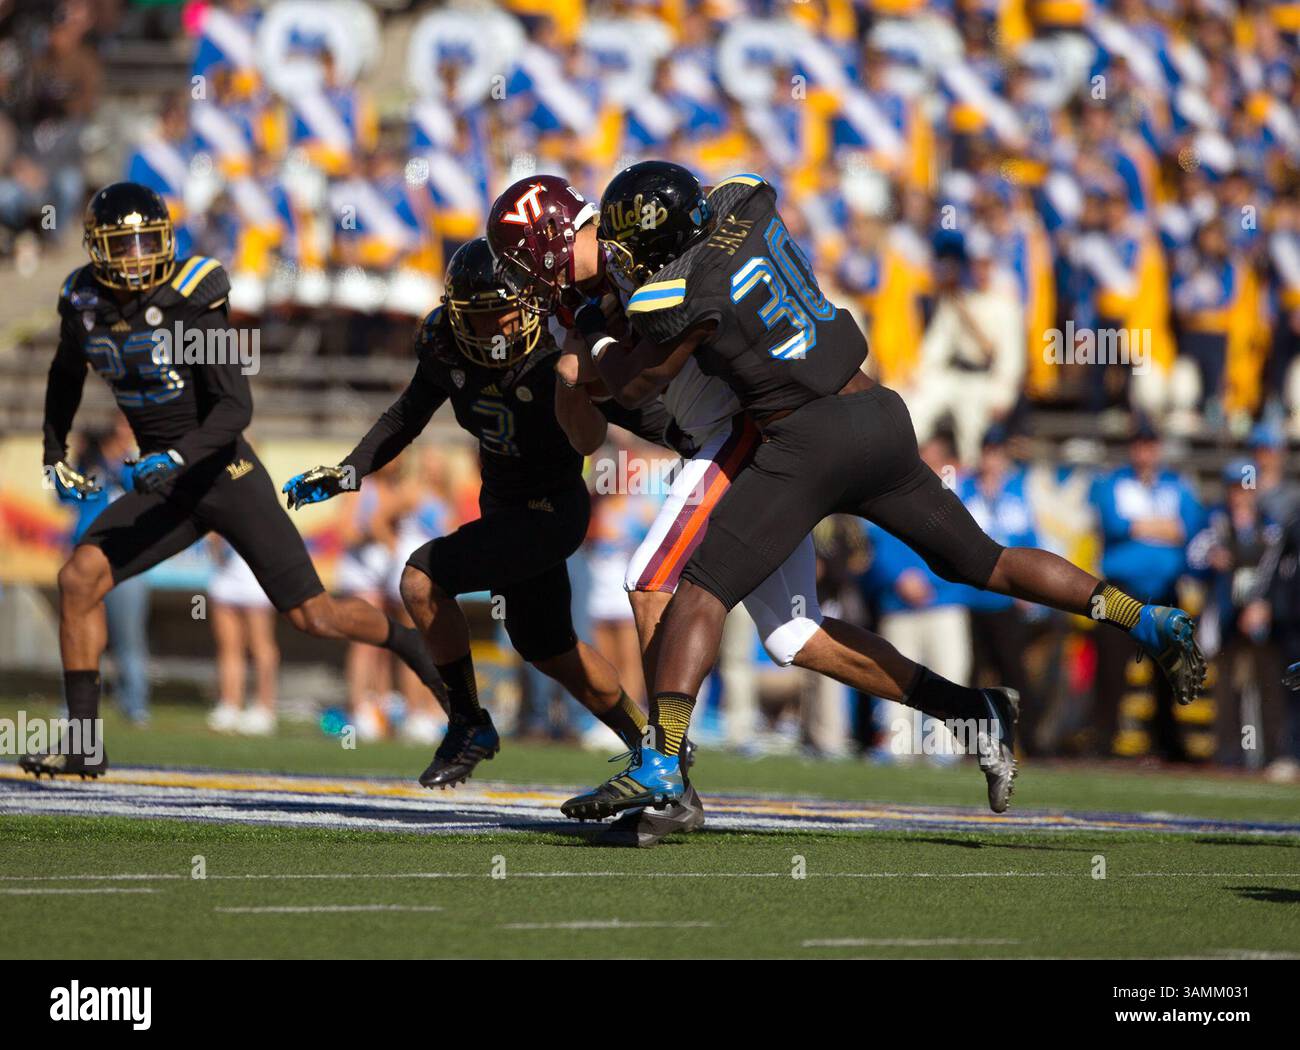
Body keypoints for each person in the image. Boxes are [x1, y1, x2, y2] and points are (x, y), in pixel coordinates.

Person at [556, 161, 1206, 819]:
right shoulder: (743, 206)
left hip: (807, 442)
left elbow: (633, 381)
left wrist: (595, 337)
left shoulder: (684, 291)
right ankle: (1142, 617)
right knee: (985, 560)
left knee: (701, 589)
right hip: (880, 415)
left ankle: (663, 762)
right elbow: (742, 189)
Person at [23, 182, 448, 778]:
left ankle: (409, 646)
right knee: (78, 578)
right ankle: (84, 744)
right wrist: (53, 448)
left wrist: (176, 458)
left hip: (224, 472)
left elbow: (235, 408)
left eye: (149, 240)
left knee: (313, 617)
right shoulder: (82, 300)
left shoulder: (193, 295)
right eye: (125, 244)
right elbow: (64, 373)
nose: (139, 255)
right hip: (165, 487)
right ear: (97, 249)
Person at [283, 238, 674, 805]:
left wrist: (705, 443)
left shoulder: (559, 346)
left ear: (530, 303)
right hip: (504, 506)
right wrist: (350, 472)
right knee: (549, 648)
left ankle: (467, 721)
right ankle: (651, 748)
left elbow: (633, 406)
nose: (492, 328)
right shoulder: (444, 344)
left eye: (502, 311)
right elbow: (407, 413)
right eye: (479, 315)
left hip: (553, 510)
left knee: (421, 577)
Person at [1089, 415, 1203, 760]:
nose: (1144, 451)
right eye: (1139, 443)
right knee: (1111, 668)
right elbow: (1113, 523)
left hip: (1165, 590)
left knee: (1169, 670)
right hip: (1121, 590)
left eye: (1150, 444)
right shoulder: (1113, 482)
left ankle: (1166, 741)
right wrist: (1163, 528)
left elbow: (1191, 527)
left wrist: (1140, 526)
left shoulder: (1176, 485)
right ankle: (1102, 739)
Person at [207, 539, 279, 735]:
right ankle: (230, 704)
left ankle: (264, 707)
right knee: (228, 646)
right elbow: (212, 540)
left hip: (255, 580)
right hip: (225, 577)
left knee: (260, 646)